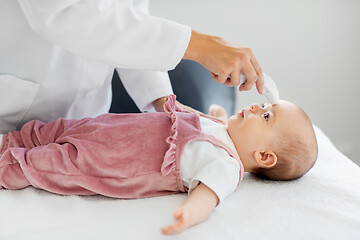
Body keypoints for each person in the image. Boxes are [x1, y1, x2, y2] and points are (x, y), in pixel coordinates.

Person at [0, 95, 318, 235]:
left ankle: (8, 166)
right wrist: (220, 115)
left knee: (54, 164)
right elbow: (204, 120)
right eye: (263, 105)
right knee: (55, 130)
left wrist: (188, 216)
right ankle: (11, 141)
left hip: (113, 161)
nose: (256, 106)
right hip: (107, 127)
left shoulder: (225, 165)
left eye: (266, 115)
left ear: (264, 157)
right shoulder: (222, 130)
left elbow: (208, 197)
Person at [0, 1, 264, 134]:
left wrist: (163, 100)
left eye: (267, 116)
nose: (255, 109)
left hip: (84, 126)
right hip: (13, 113)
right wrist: (198, 45)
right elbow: (61, 13)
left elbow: (129, 21)